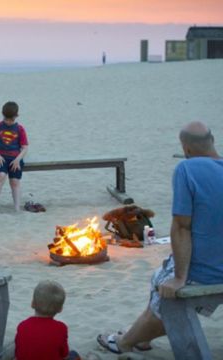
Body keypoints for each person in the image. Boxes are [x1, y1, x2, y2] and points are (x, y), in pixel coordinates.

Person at [96, 121, 223, 354]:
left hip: (208, 273)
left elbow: (182, 227)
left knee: (164, 286)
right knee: (159, 277)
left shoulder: (187, 170)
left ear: (186, 148)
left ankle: (124, 342)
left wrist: (180, 277)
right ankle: (141, 338)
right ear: (212, 140)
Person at [15, 280, 79, 360]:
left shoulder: (22, 325)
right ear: (60, 309)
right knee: (73, 354)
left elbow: (18, 353)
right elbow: (64, 354)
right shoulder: (61, 328)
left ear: (32, 303)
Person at [0, 101, 29, 213]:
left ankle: (16, 208)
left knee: (14, 181)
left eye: (11, 120)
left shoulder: (20, 129)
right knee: (0, 176)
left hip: (15, 158)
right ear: (2, 115)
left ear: (16, 116)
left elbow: (25, 147)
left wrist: (18, 159)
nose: (9, 122)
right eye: (6, 119)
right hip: (0, 157)